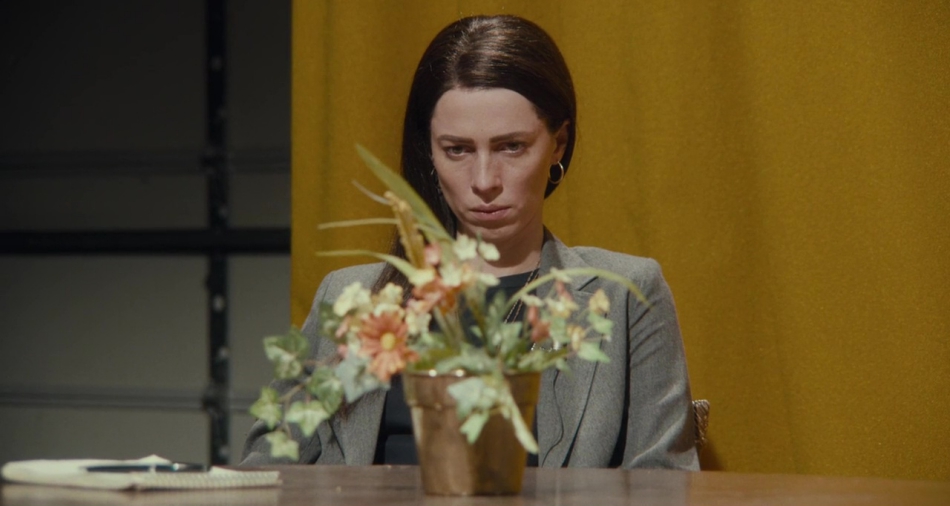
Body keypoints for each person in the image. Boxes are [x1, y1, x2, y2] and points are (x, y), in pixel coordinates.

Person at [242, 14, 699, 470]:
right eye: (457, 150)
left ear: (558, 144)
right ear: (429, 150)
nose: (484, 181)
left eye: (511, 147)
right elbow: (267, 465)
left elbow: (664, 483)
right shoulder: (351, 297)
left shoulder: (623, 296)